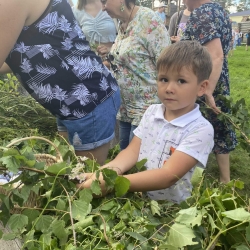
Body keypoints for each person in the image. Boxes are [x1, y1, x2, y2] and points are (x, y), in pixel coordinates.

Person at [78, 41, 214, 204]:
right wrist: (103, 174)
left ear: (202, 87)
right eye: (163, 79)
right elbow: (132, 152)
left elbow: (169, 175)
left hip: (173, 211)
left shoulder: (200, 129)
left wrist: (115, 183)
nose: (169, 88)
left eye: (181, 81)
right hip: (141, 202)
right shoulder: (152, 112)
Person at [0, 0, 121, 165]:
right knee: (67, 173)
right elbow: (20, 55)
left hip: (88, 101)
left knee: (85, 181)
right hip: (69, 104)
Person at [98, 0, 171, 151]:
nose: (103, 7)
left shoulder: (148, 20)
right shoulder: (123, 23)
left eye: (104, 1)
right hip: (125, 109)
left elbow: (168, 65)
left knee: (137, 161)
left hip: (146, 108)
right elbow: (131, 59)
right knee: (124, 155)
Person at [183, 0, 237, 183]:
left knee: (196, 126)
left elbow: (216, 55)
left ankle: (190, 177)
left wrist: (207, 91)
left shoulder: (202, 13)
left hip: (205, 81)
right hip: (219, 78)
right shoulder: (219, 11)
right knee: (219, 126)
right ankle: (225, 180)